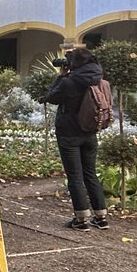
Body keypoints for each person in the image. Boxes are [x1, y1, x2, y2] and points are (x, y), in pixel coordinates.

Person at [45, 48, 109, 230]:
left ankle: (81, 219)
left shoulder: (69, 82)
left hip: (69, 134)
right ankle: (101, 217)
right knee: (90, 173)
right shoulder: (99, 80)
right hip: (90, 133)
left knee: (75, 176)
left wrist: (61, 76)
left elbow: (51, 97)